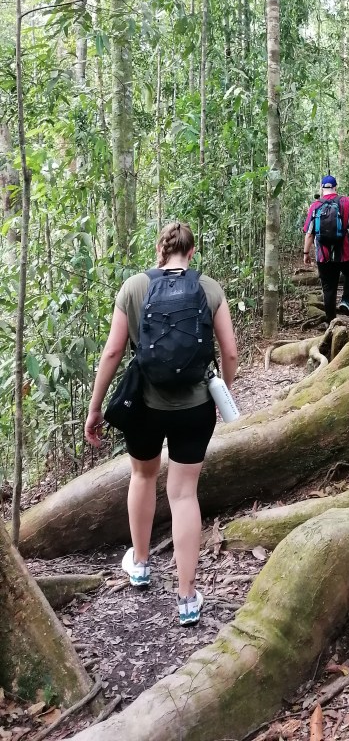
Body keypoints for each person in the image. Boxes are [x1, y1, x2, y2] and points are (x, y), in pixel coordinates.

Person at [84, 222, 238, 627]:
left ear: (159, 249)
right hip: (195, 408)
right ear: (192, 252)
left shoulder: (134, 287)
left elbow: (114, 350)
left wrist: (95, 407)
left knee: (143, 475)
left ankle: (140, 563)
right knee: (185, 494)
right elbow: (231, 353)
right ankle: (187, 597)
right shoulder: (209, 289)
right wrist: (223, 391)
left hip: (145, 406)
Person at [303, 175, 349, 321]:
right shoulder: (346, 201)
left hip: (323, 255)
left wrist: (306, 253)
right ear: (335, 187)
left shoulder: (315, 206)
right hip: (344, 252)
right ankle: (345, 300)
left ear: (322, 188)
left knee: (328, 288)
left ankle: (331, 322)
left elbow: (309, 233)